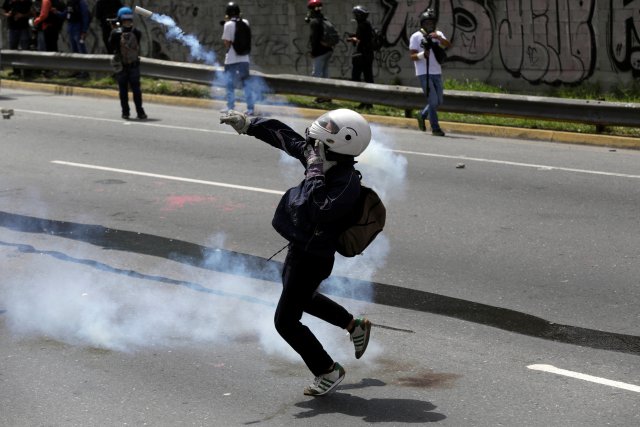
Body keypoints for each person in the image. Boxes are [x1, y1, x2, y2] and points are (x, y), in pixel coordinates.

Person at [220, 108, 373, 397]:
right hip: (300, 247)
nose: (311, 149)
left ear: (339, 145)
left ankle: (327, 370)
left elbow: (319, 208)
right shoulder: (322, 157)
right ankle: (354, 325)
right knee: (302, 297)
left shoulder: (346, 183)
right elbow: (289, 140)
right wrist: (250, 125)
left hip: (314, 257)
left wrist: (314, 170)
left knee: (285, 322)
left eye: (318, 144)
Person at [409, 8, 450, 137]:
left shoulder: (438, 34)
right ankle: (435, 128)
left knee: (439, 101)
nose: (429, 26)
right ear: (422, 24)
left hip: (436, 71)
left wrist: (438, 37)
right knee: (433, 100)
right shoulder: (416, 36)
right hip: (423, 73)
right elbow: (412, 56)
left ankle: (422, 114)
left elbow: (448, 44)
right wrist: (422, 55)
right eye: (427, 23)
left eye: (431, 23)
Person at [109, 6, 147, 120]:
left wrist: (114, 27)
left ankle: (125, 113)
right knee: (136, 90)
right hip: (134, 65)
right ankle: (140, 112)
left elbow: (111, 46)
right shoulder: (137, 32)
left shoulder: (115, 33)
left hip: (122, 66)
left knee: (123, 91)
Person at [221, 2, 255, 115]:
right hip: (244, 58)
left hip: (231, 59)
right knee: (246, 83)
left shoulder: (228, 25)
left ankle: (230, 106)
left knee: (229, 83)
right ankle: (250, 108)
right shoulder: (246, 22)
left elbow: (226, 43)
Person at [347, 5, 374, 109]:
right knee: (368, 78)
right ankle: (367, 102)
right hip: (367, 55)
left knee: (356, 77)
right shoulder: (367, 24)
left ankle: (365, 101)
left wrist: (352, 39)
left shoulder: (362, 25)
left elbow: (359, 40)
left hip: (362, 55)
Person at [306, 0, 332, 103]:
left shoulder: (314, 22)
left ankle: (320, 96)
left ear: (311, 9)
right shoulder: (323, 19)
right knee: (325, 74)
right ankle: (327, 96)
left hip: (320, 52)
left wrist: (313, 52)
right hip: (328, 50)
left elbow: (314, 39)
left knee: (316, 74)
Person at [65, 0, 91, 78]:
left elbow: (85, 16)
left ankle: (85, 72)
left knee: (81, 50)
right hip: (71, 28)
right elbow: (66, 13)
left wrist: (84, 31)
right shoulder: (70, 2)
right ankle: (77, 70)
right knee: (74, 51)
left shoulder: (81, 2)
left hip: (78, 29)